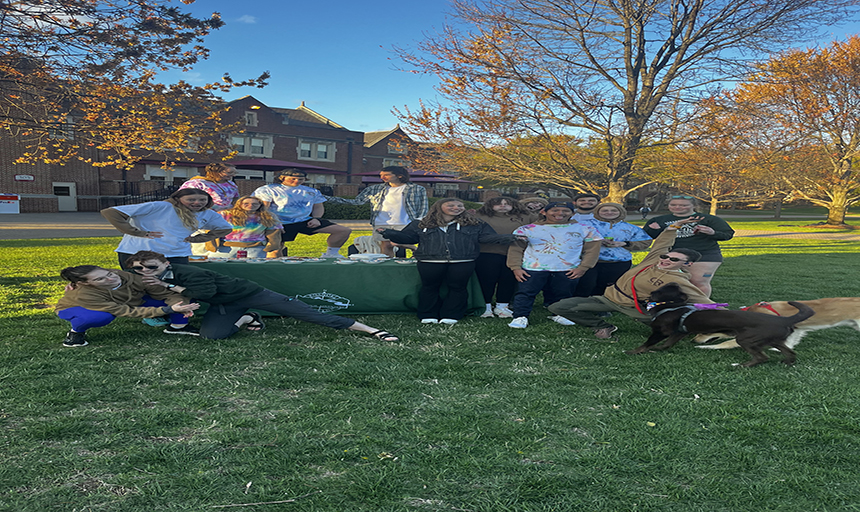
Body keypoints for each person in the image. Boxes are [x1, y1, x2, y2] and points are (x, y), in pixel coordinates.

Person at [125, 251, 400, 341]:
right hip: (227, 304)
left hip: (251, 294)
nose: (145, 271)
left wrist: (177, 292)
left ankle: (373, 330)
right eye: (139, 269)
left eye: (151, 267)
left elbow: (204, 292)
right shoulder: (153, 279)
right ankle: (246, 318)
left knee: (310, 315)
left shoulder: (189, 273)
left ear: (166, 265)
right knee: (212, 337)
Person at [547, 217, 713, 339]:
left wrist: (733, 316)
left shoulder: (678, 280)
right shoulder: (654, 260)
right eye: (666, 256)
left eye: (674, 260)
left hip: (636, 307)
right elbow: (662, 243)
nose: (666, 260)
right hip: (608, 299)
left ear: (688, 264)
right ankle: (604, 326)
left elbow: (703, 301)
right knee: (558, 307)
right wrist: (675, 226)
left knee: (672, 331)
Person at [379, 198, 519, 325]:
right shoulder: (421, 223)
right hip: (430, 261)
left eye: (460, 205)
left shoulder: (475, 223)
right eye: (451, 205)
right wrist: (388, 233)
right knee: (429, 287)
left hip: (463, 261)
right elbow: (408, 238)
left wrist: (511, 237)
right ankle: (428, 314)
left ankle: (452, 315)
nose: (456, 208)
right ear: (439, 207)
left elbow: (486, 238)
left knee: (458, 288)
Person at [506, 202, 602, 329]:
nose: (560, 214)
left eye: (565, 211)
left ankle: (560, 314)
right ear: (544, 212)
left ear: (573, 213)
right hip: (533, 268)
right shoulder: (526, 229)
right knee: (526, 293)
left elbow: (592, 250)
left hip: (567, 268)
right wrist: (515, 267)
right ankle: (520, 316)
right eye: (555, 210)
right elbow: (516, 250)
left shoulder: (585, 229)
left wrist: (583, 267)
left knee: (563, 293)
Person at [56, 265, 201, 346]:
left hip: (125, 301)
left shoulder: (123, 275)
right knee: (101, 317)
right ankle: (76, 332)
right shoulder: (83, 293)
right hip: (79, 307)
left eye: (108, 273)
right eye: (101, 279)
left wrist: (178, 306)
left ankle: (177, 327)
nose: (111, 278)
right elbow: (124, 311)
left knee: (179, 297)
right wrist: (168, 310)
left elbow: (162, 292)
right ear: (84, 283)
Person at [101, 189, 233, 269]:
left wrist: (199, 238)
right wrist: (136, 232)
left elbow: (224, 228)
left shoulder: (207, 213)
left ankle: (171, 310)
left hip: (177, 254)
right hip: (137, 252)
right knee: (140, 283)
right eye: (191, 199)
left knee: (174, 283)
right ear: (178, 199)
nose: (197, 203)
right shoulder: (159, 206)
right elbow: (111, 212)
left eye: (202, 200)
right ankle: (147, 312)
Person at [325, 166, 429, 257]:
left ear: (399, 176)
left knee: (395, 243)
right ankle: (388, 266)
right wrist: (328, 199)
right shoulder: (375, 189)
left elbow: (423, 206)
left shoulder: (416, 189)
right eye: (381, 175)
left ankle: (414, 249)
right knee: (386, 245)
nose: (382, 177)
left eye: (386, 175)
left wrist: (420, 220)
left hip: (405, 222)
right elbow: (358, 201)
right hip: (381, 222)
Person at [643, 195, 734, 297]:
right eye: (673, 205)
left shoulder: (709, 219)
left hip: (704, 255)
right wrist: (653, 229)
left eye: (683, 205)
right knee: (668, 282)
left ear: (693, 205)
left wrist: (712, 232)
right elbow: (646, 238)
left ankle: (701, 307)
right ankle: (676, 305)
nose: (677, 207)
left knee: (697, 282)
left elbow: (728, 234)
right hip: (670, 256)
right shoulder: (659, 220)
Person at [253, 169, 352, 258]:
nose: (297, 181)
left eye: (301, 179)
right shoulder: (268, 189)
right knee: (275, 251)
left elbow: (318, 206)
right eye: (293, 178)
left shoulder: (312, 191)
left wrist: (316, 218)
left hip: (304, 220)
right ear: (282, 178)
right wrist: (271, 224)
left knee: (343, 231)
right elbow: (264, 208)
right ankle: (275, 267)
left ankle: (331, 254)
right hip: (279, 222)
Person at [473, 196, 538, 318]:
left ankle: (502, 306)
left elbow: (543, 223)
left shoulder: (525, 216)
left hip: (514, 253)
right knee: (487, 280)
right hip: (487, 253)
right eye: (498, 204)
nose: (503, 206)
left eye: (507, 204)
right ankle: (485, 307)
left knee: (508, 280)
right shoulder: (479, 216)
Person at [574, 202, 652, 297]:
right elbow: (571, 239)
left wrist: (625, 243)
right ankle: (579, 306)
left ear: (621, 212)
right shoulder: (585, 225)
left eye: (614, 210)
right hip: (590, 261)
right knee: (586, 285)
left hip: (619, 262)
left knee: (609, 286)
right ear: (597, 212)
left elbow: (645, 242)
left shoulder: (630, 228)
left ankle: (603, 307)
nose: (609, 212)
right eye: (605, 210)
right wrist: (595, 241)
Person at [206, 196, 283, 259]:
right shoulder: (224, 214)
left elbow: (274, 232)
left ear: (260, 205)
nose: (250, 206)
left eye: (255, 204)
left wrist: (273, 245)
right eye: (246, 203)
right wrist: (211, 244)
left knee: (252, 270)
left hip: (255, 248)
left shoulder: (268, 216)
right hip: (226, 248)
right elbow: (210, 228)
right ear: (239, 204)